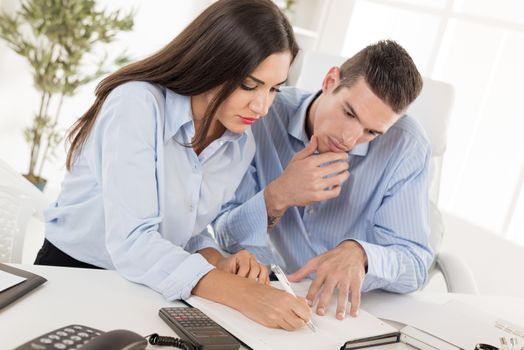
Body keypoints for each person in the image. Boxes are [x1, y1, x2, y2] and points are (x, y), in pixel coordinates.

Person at [35, 0, 312, 331]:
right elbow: (134, 242)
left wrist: (219, 261)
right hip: (73, 274)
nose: (262, 106)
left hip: (145, 289)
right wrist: (244, 294)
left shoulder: (240, 143)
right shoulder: (136, 104)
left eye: (274, 90)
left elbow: (185, 231)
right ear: (212, 63)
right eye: (250, 85)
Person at [213, 40, 434, 321]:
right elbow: (223, 235)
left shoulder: (406, 145)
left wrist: (361, 254)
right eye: (349, 113)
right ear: (330, 81)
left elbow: (415, 266)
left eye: (371, 133)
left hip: (345, 313)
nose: (349, 140)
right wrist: (278, 196)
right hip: (265, 298)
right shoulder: (263, 114)